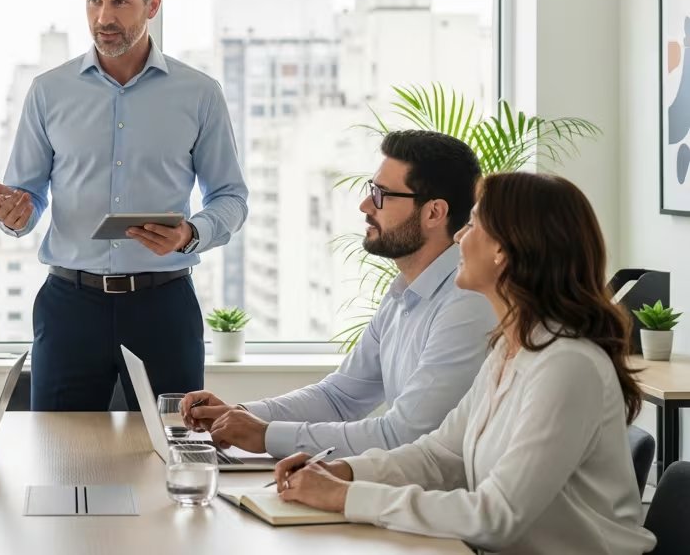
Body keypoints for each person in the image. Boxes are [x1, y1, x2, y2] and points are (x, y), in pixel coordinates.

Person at [273, 173, 656, 555]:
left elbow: (497, 516)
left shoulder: (568, 366)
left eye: (472, 224)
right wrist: (346, 472)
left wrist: (348, 497)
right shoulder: (510, 350)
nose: (459, 237)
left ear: (503, 251)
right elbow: (440, 455)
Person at [0, 0, 248, 411]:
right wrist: (14, 213)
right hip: (70, 306)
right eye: (94, 0)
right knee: (60, 457)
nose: (104, 17)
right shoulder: (48, 92)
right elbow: (25, 199)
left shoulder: (200, 94)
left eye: (120, 1)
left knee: (173, 449)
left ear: (153, 4)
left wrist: (190, 233)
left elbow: (230, 196)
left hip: (164, 306)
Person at [183, 130, 496, 458]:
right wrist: (240, 414)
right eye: (370, 190)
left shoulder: (467, 302)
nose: (364, 205)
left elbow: (404, 435)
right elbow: (339, 397)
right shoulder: (404, 293)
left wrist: (266, 435)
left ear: (433, 213)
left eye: (381, 194)